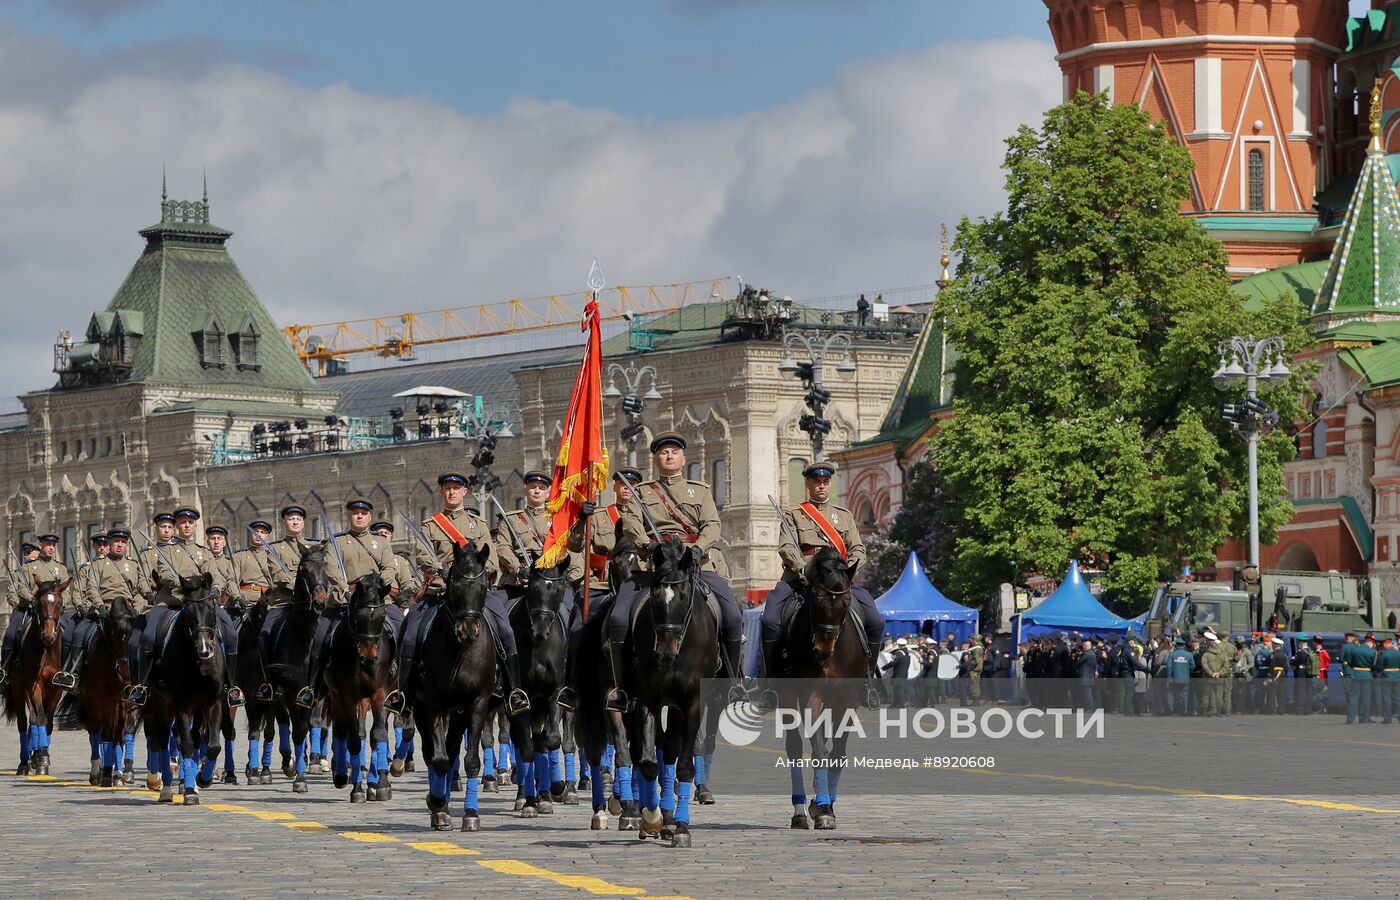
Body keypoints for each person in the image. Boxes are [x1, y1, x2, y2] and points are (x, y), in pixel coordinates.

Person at [612, 433, 745, 711]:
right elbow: (631, 523)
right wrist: (645, 544)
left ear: (684, 458)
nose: (669, 456)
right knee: (618, 620)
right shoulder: (642, 492)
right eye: (664, 453)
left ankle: (733, 683)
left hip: (695, 563)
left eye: (674, 452)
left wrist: (699, 547)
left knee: (732, 615)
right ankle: (623, 688)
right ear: (656, 459)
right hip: (652, 566)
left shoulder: (701, 491)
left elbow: (711, 524)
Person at [387, 472, 529, 717]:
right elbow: (422, 554)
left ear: (465, 492)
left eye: (456, 488)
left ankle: (513, 691)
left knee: (505, 630)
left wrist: (477, 573)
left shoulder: (479, 524)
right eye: (447, 488)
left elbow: (492, 559)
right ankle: (405, 696)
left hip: (473, 596)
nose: (451, 492)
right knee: (410, 635)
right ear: (442, 493)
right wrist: (438, 568)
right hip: (440, 592)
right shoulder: (430, 525)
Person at [761, 460, 882, 707]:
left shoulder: (843, 516)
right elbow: (786, 547)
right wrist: (804, 569)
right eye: (816, 481)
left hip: (836, 582)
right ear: (808, 484)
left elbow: (857, 548)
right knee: (770, 620)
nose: (821, 486)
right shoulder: (794, 514)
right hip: (800, 580)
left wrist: (849, 571)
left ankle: (867, 680)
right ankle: (773, 684)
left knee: (876, 621)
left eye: (825, 481)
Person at [129, 506, 243, 707]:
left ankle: (231, 687)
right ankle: (143, 686)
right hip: (170, 603)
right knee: (147, 637)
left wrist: (215, 588)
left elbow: (215, 574)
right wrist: (187, 586)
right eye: (182, 522)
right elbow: (165, 574)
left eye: (190, 522)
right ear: (177, 526)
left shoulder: (203, 552)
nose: (187, 526)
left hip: (200, 604)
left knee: (232, 635)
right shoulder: (166, 551)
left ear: (195, 525)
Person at [297, 497, 401, 707]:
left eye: (363, 513)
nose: (359, 516)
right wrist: (345, 591)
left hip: (374, 602)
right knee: (319, 639)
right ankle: (312, 688)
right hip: (344, 602)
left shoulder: (380, 543)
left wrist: (378, 587)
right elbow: (331, 568)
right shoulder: (336, 542)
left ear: (370, 517)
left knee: (400, 629)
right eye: (355, 513)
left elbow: (391, 567)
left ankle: (398, 684)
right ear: (349, 517)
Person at [51, 529, 150, 691]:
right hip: (105, 610)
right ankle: (74, 674)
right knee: (78, 633)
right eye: (116, 541)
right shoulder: (97, 564)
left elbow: (139, 591)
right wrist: (100, 606)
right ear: (110, 543)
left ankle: (143, 682)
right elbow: (92, 588)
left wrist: (137, 609)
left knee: (146, 637)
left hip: (128, 611)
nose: (119, 545)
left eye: (123, 542)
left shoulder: (133, 565)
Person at [255, 506, 315, 702]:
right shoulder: (274, 549)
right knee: (264, 637)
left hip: (310, 607)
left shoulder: (313, 547)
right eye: (291, 519)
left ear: (304, 523)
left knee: (326, 637)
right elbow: (278, 575)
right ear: (284, 523)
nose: (295, 522)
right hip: (282, 604)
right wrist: (302, 588)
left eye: (298, 518)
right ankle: (268, 683)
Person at [0, 535, 71, 689]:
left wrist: (62, 603)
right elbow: (21, 588)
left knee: (70, 633)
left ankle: (67, 671)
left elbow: (66, 591)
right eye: (48, 544)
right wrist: (32, 599)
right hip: (31, 610)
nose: (51, 547)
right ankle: (5, 671)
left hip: (53, 611)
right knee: (12, 633)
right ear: (41, 546)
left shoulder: (61, 568)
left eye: (53, 544)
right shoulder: (28, 567)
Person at [0, 540, 42, 686]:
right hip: (24, 610)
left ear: (38, 552)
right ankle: (4, 669)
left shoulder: (45, 570)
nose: (26, 556)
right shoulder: (18, 572)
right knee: (11, 634)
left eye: (29, 552)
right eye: (24, 553)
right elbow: (11, 592)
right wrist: (17, 603)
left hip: (42, 610)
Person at [1347, 633, 1377, 724]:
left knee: (1353, 697)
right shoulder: (1373, 652)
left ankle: (1350, 718)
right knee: (1366, 698)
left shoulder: (1355, 649)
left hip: (1355, 674)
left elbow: (1350, 662)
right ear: (1372, 642)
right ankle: (1365, 718)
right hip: (1367, 675)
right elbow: (1374, 665)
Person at [1374, 635, 1400, 723]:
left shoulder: (1383, 654)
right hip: (1397, 676)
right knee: (1397, 697)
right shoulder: (1398, 653)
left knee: (1386, 698)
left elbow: (1379, 667)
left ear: (1386, 644)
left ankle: (1388, 718)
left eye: (1383, 644)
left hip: (1387, 677)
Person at [1290, 633, 1318, 715]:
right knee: (1309, 691)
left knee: (1300, 691)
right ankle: (1308, 710)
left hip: (1301, 673)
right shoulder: (1311, 651)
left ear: (1300, 643)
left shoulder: (1300, 652)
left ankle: (1299, 709)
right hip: (1310, 673)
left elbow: (1292, 661)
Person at [1165, 637, 1193, 715]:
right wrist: (1186, 669)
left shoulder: (1172, 654)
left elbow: (1169, 667)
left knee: (1171, 693)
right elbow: (1192, 666)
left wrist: (1169, 676)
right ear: (1184, 645)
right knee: (1184, 695)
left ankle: (1171, 709)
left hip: (1174, 678)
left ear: (1176, 645)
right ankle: (1184, 710)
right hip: (1185, 678)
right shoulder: (1189, 655)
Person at [882, 637, 913, 707]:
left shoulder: (899, 653)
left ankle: (901, 704)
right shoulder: (907, 653)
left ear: (899, 645)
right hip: (904, 674)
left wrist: (883, 668)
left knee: (898, 690)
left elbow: (893, 663)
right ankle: (895, 704)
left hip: (898, 674)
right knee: (897, 689)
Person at [1264, 635, 1288, 715]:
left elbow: (1271, 666)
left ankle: (1272, 710)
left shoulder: (1273, 654)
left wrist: (1270, 676)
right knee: (1281, 694)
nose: (1272, 645)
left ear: (1275, 645)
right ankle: (1282, 710)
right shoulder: (1284, 654)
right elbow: (1286, 667)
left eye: (1273, 644)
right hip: (1282, 675)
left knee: (1272, 693)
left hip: (1274, 675)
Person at [1076, 638, 1098, 711]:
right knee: (1088, 692)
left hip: (1085, 676)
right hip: (1090, 675)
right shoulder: (1093, 654)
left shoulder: (1086, 654)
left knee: (1087, 693)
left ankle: (1089, 707)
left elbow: (1079, 663)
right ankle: (1089, 707)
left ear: (1085, 646)